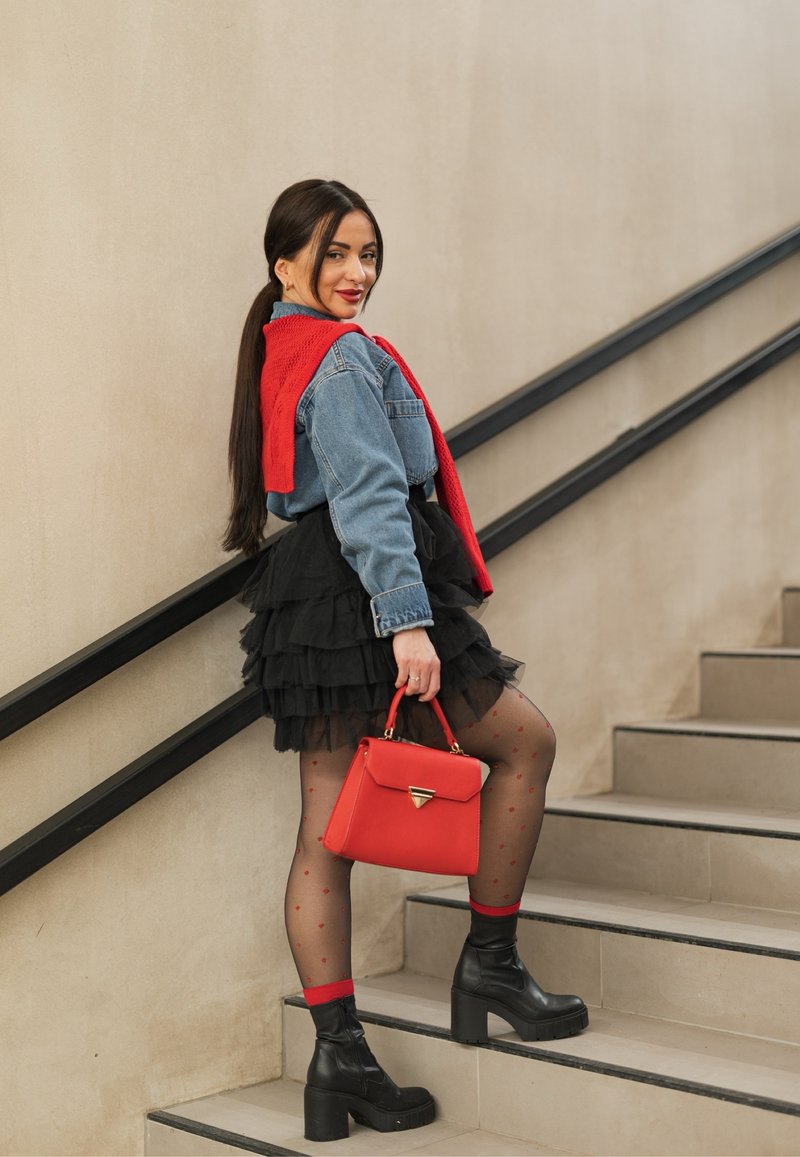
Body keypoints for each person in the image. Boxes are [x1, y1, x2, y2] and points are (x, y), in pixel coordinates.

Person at [223, 178, 588, 1143]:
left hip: (313, 595)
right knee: (524, 744)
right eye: (336, 254)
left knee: (325, 829)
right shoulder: (340, 359)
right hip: (368, 590)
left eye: (368, 254)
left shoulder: (285, 348)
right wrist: (408, 624)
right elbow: (375, 494)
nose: (357, 274)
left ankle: (337, 1058)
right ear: (284, 264)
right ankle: (490, 965)